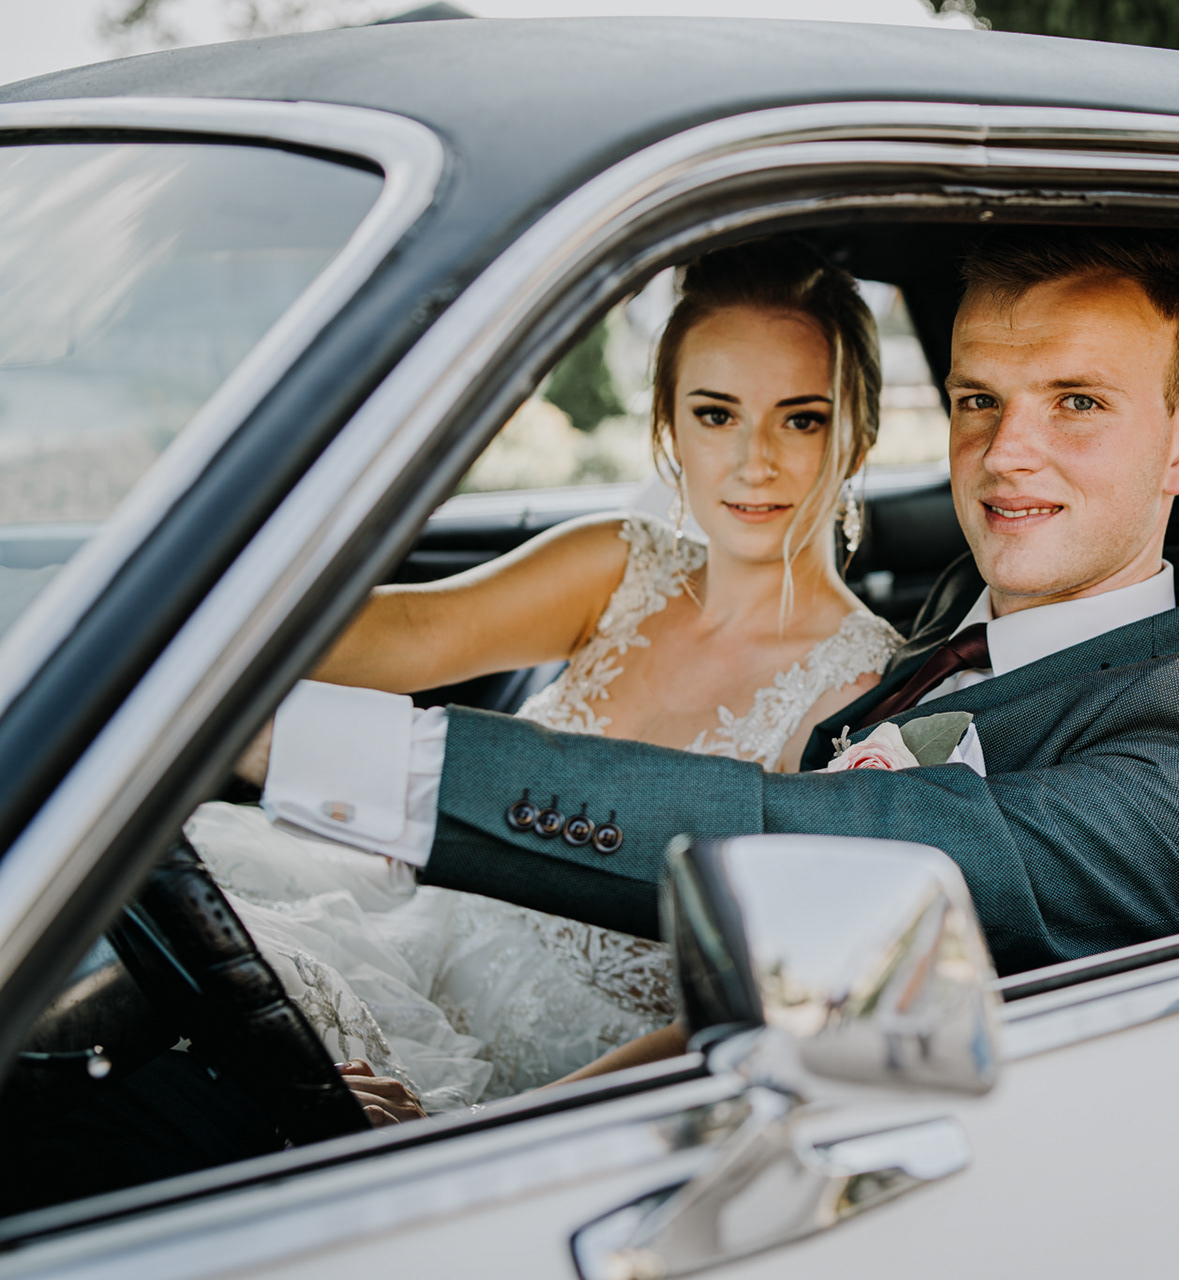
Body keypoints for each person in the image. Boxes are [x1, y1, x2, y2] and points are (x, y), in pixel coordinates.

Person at [249, 229, 1179, 1088]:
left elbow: (836, 854)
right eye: (979, 401)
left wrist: (331, 749)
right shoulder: (949, 632)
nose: (1007, 453)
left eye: (1079, 403)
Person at [192, 238, 903, 1117]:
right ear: (669, 426)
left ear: (860, 434)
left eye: (801, 419)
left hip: (562, 1091)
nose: (754, 461)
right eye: (717, 414)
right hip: (416, 939)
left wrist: (478, 1128)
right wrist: (188, 624)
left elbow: (763, 993)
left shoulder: (860, 695)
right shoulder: (619, 565)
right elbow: (414, 632)